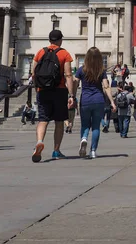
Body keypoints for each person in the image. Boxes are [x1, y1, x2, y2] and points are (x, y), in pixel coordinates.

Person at [31, 29, 75, 162]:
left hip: (43, 90)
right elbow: (68, 75)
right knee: (59, 121)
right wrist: (71, 94)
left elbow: (33, 73)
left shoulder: (40, 52)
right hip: (59, 90)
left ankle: (39, 141)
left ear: (49, 40)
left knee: (43, 119)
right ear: (60, 40)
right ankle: (56, 150)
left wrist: (37, 88)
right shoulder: (64, 53)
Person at [75, 46, 116, 159]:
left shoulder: (81, 70)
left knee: (85, 124)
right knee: (96, 127)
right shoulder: (101, 71)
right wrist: (112, 102)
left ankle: (84, 138)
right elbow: (106, 86)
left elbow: (75, 83)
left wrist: (72, 96)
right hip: (98, 100)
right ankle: (93, 151)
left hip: (85, 100)